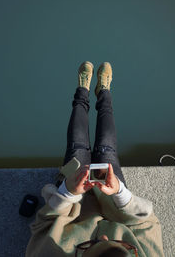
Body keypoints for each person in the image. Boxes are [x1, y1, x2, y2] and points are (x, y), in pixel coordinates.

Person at [25, 62, 165, 257]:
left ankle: (82, 92)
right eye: (123, 246)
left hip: (73, 206)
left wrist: (68, 192)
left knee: (78, 146)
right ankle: (104, 92)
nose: (105, 237)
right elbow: (147, 223)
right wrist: (119, 192)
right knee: (107, 149)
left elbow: (42, 225)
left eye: (89, 245)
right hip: (115, 207)